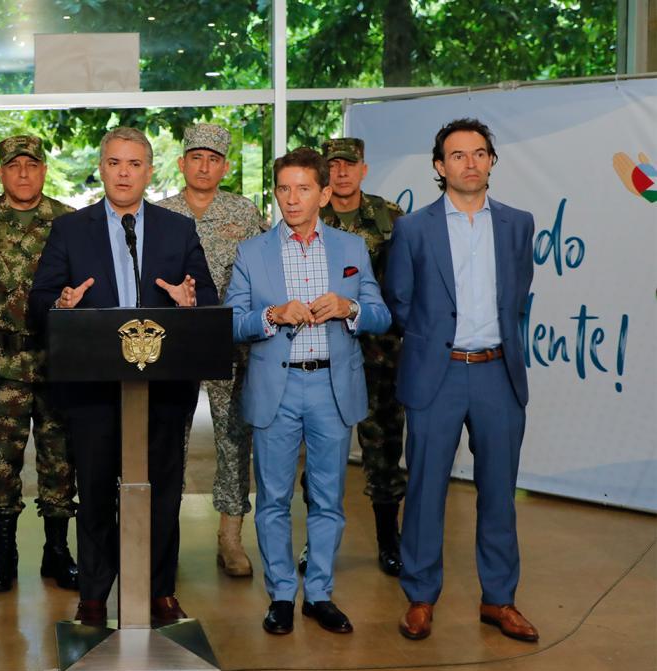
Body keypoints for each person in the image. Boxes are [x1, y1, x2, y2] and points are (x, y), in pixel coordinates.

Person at [29, 126, 217, 626]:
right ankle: (94, 593)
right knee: (93, 492)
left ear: (149, 172)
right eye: (115, 163)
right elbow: (38, 301)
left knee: (162, 491)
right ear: (102, 168)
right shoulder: (72, 230)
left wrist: (189, 302)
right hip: (94, 389)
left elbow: (208, 301)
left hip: (163, 391)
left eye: (134, 164)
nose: (124, 172)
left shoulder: (177, 230)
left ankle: (160, 590)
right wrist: (61, 304)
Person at [225, 147, 390, 636]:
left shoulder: (350, 250)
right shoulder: (252, 253)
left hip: (331, 387)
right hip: (276, 386)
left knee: (328, 499)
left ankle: (319, 593)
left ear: (323, 193)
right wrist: (272, 316)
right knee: (273, 498)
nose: (291, 199)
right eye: (283, 189)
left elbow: (381, 315)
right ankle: (280, 594)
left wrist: (348, 307)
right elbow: (232, 323)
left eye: (302, 189)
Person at [385, 118, 538, 642]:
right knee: (426, 491)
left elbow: (517, 295)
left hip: (499, 373)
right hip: (438, 375)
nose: (469, 163)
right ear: (439, 166)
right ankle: (420, 597)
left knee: (499, 493)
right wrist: (435, 343)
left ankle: (499, 600)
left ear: (491, 160)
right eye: (457, 155)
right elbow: (400, 301)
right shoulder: (412, 228)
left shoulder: (518, 225)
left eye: (479, 153)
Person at [0, 136, 79, 593]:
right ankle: (5, 551)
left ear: (44, 170)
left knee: (60, 460)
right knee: (1, 463)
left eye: (32, 165)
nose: (23, 174)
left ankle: (57, 551)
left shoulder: (69, 222)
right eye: (14, 166)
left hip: (57, 360)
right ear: (1, 173)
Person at [158, 123, 266, 578]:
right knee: (167, 440)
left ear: (225, 166)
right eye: (195, 158)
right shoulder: (160, 213)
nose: (204, 167)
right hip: (174, 346)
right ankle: (164, 536)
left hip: (230, 343)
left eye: (214, 159)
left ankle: (230, 536)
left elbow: (263, 273)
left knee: (232, 438)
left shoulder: (244, 213)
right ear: (182, 163)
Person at [297, 138, 408, 578]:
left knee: (383, 449)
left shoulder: (390, 218)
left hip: (380, 355)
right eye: (334, 165)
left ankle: (389, 542)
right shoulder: (309, 214)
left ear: (364, 169)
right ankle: (316, 544)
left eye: (350, 165)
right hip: (323, 350)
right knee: (320, 453)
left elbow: (403, 286)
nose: (341, 172)